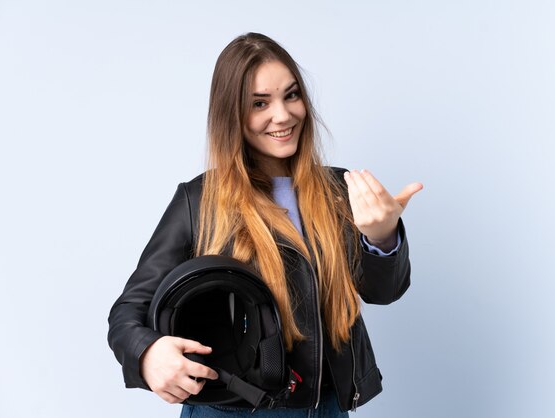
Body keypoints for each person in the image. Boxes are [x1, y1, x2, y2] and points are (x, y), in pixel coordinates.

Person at [107, 32, 422, 418]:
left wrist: (382, 236)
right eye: (260, 103)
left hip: (327, 408)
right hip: (234, 410)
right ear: (232, 115)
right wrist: (147, 354)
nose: (283, 115)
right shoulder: (200, 201)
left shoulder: (339, 190)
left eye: (291, 95)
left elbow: (383, 292)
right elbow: (128, 312)